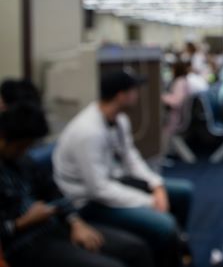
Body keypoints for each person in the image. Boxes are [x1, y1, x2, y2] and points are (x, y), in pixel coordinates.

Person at [53, 69, 194, 267]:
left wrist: (157, 185)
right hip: (88, 203)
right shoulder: (88, 132)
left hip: (112, 185)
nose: (137, 95)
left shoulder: (119, 120)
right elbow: (98, 189)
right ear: (122, 95)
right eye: (134, 90)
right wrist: (149, 201)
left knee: (183, 192)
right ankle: (172, 251)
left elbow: (131, 158)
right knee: (166, 225)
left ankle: (178, 246)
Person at [0, 103, 154, 267]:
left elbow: (54, 193)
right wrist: (22, 222)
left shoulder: (24, 161)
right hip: (24, 241)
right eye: (19, 147)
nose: (22, 152)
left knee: (136, 249)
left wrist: (76, 223)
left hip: (56, 225)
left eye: (26, 147)